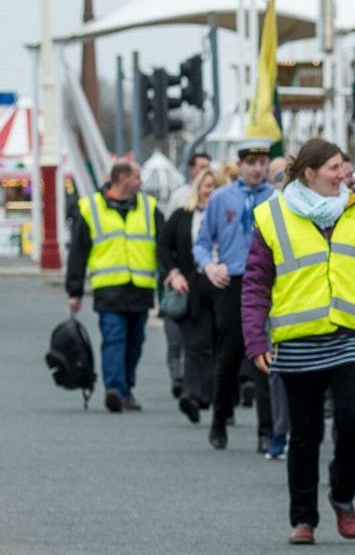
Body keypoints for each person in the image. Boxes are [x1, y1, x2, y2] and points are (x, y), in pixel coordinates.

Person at [241, 139, 355, 545]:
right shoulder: (271, 216)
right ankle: (303, 519)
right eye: (334, 168)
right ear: (309, 172)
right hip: (298, 339)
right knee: (305, 431)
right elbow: (256, 285)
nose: (342, 175)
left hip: (353, 333)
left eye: (343, 168)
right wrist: (255, 338)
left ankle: (342, 494)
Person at [193, 137, 277, 451]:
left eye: (261, 163)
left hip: (269, 283)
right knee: (228, 356)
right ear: (239, 165)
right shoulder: (221, 199)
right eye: (251, 163)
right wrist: (209, 267)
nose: (257, 169)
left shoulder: (276, 199)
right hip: (233, 283)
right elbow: (201, 243)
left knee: (265, 355)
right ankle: (219, 419)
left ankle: (266, 431)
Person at [67, 157, 164, 413]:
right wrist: (74, 290)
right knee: (114, 338)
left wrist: (171, 274)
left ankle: (126, 388)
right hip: (109, 289)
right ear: (122, 178)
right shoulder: (90, 208)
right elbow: (78, 251)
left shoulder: (149, 207)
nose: (140, 182)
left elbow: (163, 247)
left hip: (140, 288)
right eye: (137, 177)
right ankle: (115, 389)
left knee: (135, 342)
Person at [158, 164, 218, 425]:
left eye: (215, 186)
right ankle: (191, 395)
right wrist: (173, 273)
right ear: (198, 189)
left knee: (218, 346)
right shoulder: (182, 217)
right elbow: (162, 247)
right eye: (206, 186)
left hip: (222, 287)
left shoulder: (227, 216)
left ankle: (215, 395)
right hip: (190, 287)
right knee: (193, 344)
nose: (210, 191)